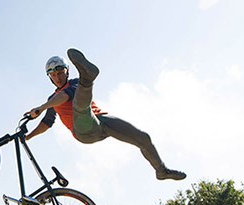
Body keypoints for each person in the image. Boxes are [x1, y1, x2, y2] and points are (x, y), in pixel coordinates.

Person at [26, 48, 186, 181]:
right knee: (80, 108)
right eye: (53, 75)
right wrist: (28, 137)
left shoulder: (74, 84)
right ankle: (88, 79)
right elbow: (47, 123)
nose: (57, 77)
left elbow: (65, 95)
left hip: (101, 122)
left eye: (60, 72)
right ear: (50, 78)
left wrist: (41, 107)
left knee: (143, 138)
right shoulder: (52, 99)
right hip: (83, 130)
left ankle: (161, 171)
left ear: (67, 72)